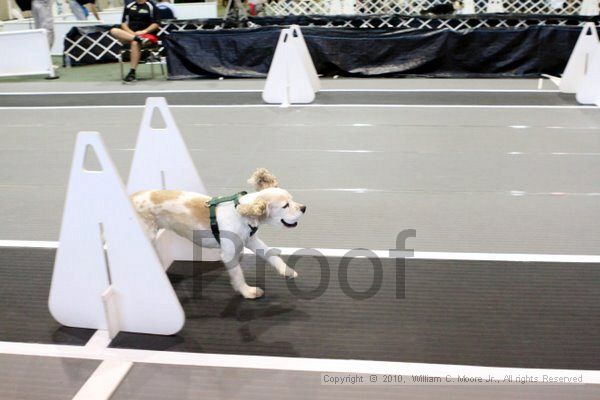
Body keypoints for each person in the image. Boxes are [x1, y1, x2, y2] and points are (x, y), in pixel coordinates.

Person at [110, 0, 161, 83]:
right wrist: (132, 34)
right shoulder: (129, 6)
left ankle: (132, 72)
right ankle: (138, 39)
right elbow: (123, 23)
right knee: (113, 30)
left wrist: (144, 31)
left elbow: (156, 23)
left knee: (135, 43)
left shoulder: (151, 5)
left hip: (147, 35)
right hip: (131, 34)